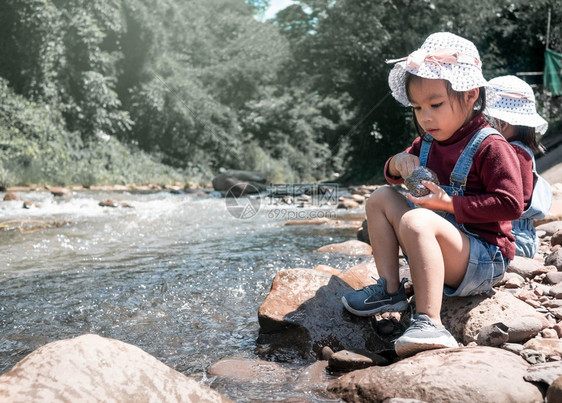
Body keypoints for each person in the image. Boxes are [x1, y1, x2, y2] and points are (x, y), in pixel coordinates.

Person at [341, 32, 524, 358]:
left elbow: (511, 204)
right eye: (417, 107)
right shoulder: (428, 142)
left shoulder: (489, 145)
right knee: (381, 197)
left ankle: (430, 321)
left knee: (417, 220)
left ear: (470, 95)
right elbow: (395, 173)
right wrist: (397, 164)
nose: (425, 117)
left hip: (481, 257)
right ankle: (390, 290)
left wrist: (449, 203)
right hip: (436, 243)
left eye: (435, 104)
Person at [484, 75, 553, 258]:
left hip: (515, 237)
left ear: (502, 124)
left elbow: (513, 202)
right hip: (514, 233)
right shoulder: (518, 151)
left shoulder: (514, 154)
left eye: (484, 121)